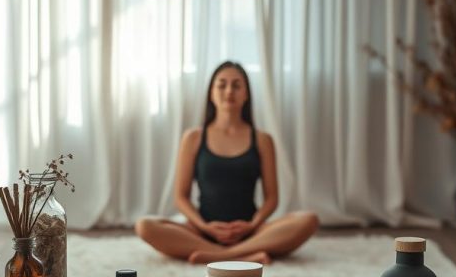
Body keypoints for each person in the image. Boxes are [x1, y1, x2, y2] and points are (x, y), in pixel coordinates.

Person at [135, 61, 319, 264]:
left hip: (251, 230)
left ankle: (218, 256)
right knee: (145, 225)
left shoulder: (262, 140)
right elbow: (181, 197)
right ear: (211, 92)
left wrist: (251, 225)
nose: (229, 91)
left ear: (246, 94)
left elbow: (271, 198)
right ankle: (243, 255)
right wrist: (205, 227)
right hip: (202, 229)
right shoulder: (193, 138)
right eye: (221, 85)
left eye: (237, 85)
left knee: (308, 220)